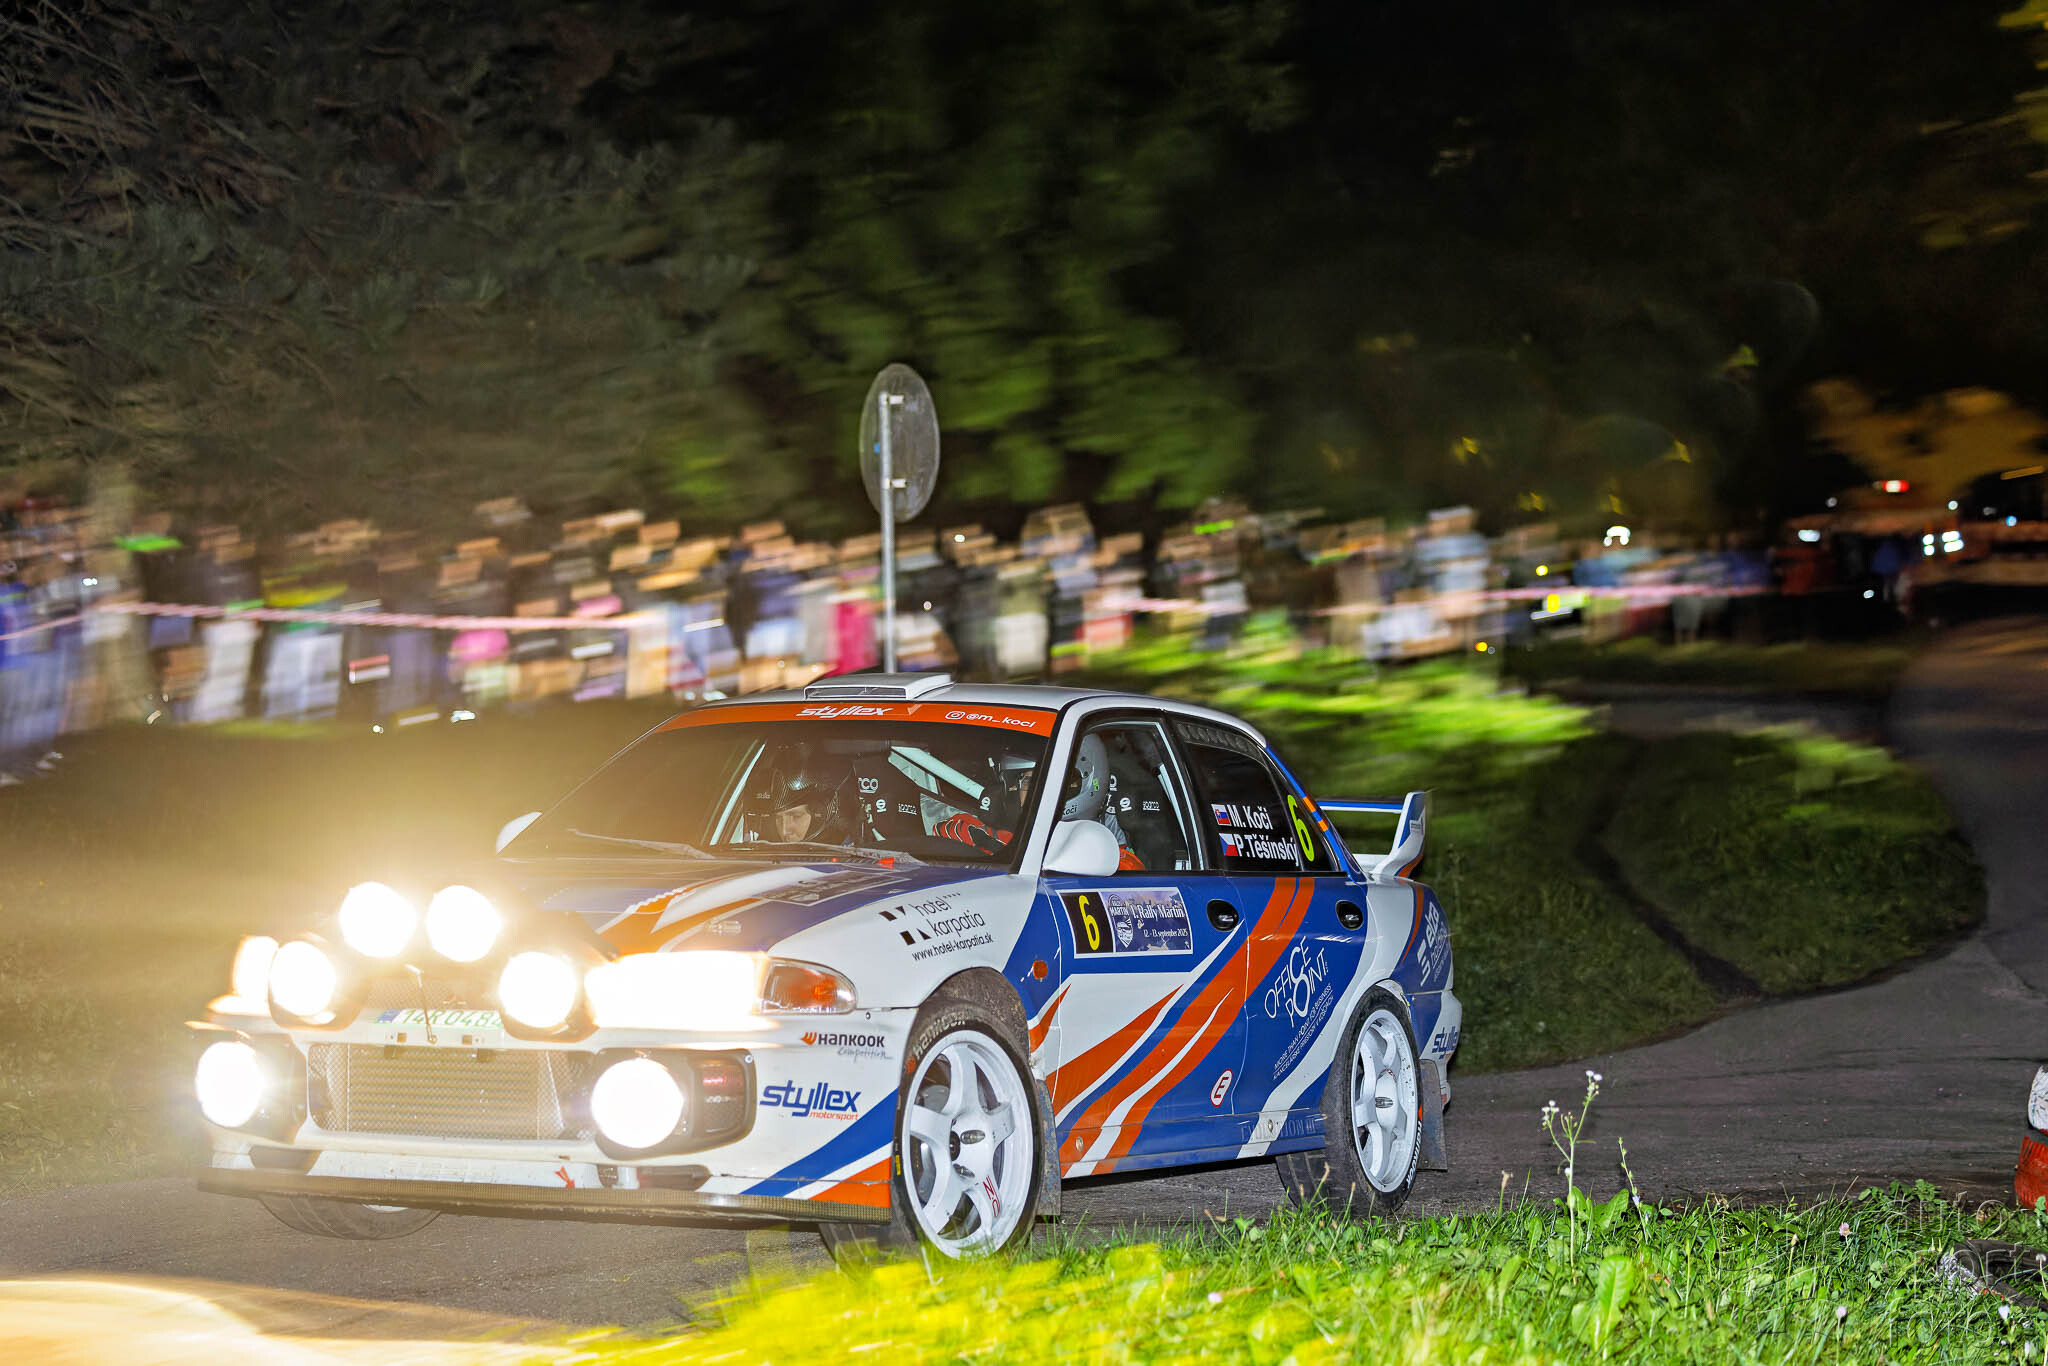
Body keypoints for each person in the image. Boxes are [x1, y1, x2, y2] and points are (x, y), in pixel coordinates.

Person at [761, 752, 849, 845]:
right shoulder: (763, 847)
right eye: (778, 818)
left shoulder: (851, 852)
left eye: (796, 816)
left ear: (822, 815)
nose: (784, 832)